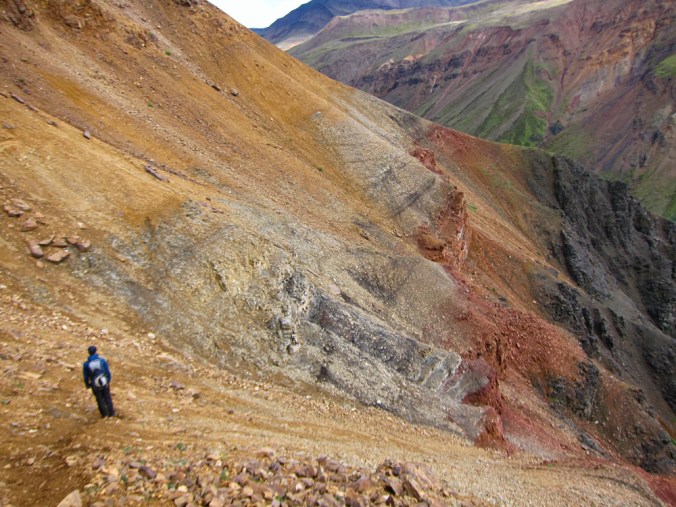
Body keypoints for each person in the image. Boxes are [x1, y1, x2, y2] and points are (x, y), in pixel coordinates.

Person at [83, 345, 115, 417]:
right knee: (107, 397)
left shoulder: (86, 364)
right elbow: (107, 371)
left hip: (95, 384)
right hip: (104, 381)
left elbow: (86, 376)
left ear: (89, 353)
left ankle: (104, 414)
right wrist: (108, 379)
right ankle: (111, 413)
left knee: (99, 399)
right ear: (95, 351)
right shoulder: (102, 360)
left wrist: (87, 385)